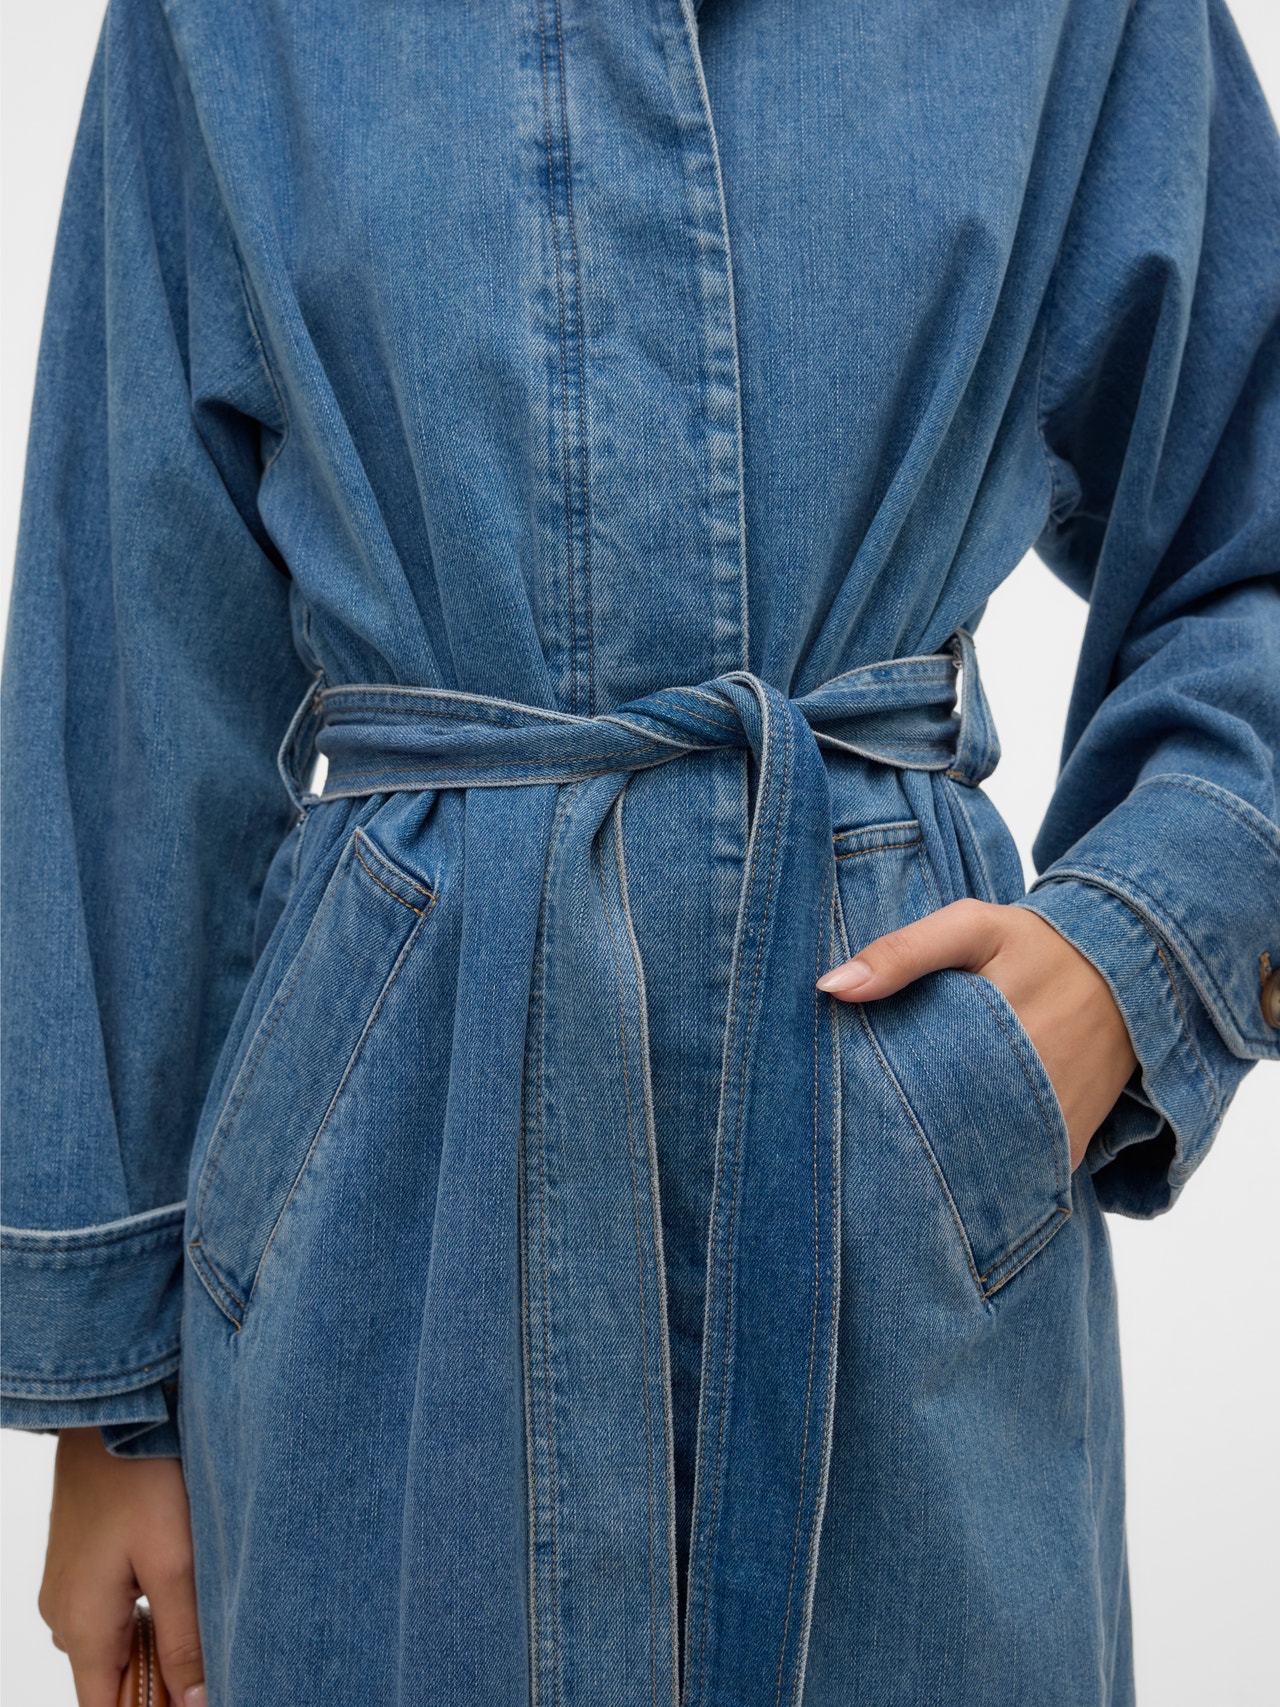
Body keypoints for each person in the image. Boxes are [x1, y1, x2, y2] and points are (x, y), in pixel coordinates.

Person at [3, 0, 1278, 1702]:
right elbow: (132, 668)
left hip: (899, 1195)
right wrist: (111, 1403)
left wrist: (1133, 957)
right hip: (382, 1246)